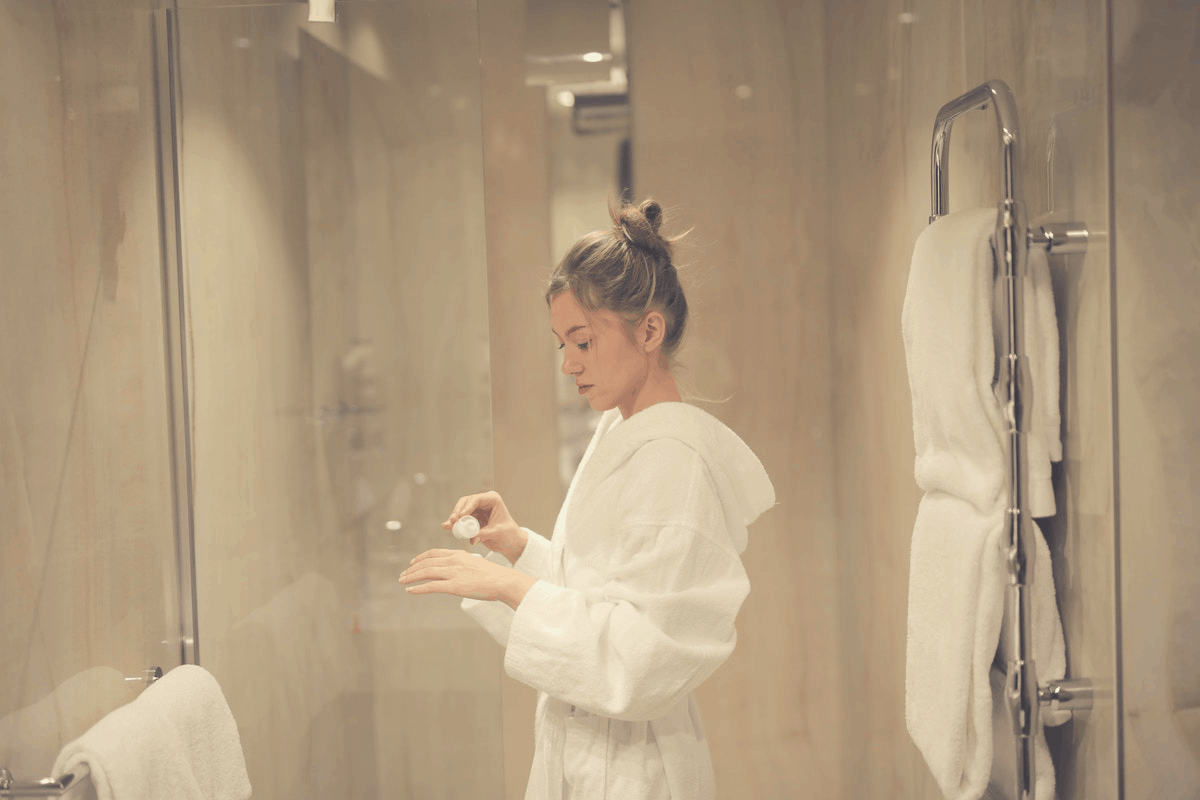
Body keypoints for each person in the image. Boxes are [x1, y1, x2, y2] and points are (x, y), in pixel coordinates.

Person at [399, 199, 775, 800]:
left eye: (583, 341)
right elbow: (607, 593)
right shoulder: (624, 431)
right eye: (561, 345)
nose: (569, 364)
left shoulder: (675, 460)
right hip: (592, 752)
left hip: (635, 771)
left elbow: (644, 659)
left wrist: (508, 587)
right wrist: (520, 550)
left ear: (649, 330)